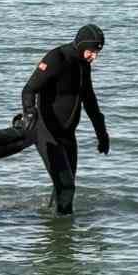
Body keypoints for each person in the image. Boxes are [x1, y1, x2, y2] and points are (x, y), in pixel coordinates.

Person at [20, 24, 110, 216]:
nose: (94, 57)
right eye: (91, 51)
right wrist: (29, 113)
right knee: (66, 186)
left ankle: (52, 222)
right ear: (81, 45)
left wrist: (102, 134)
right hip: (46, 131)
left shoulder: (83, 66)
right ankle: (63, 234)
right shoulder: (56, 58)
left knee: (65, 184)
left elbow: (90, 102)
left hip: (67, 134)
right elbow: (29, 89)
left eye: (97, 52)